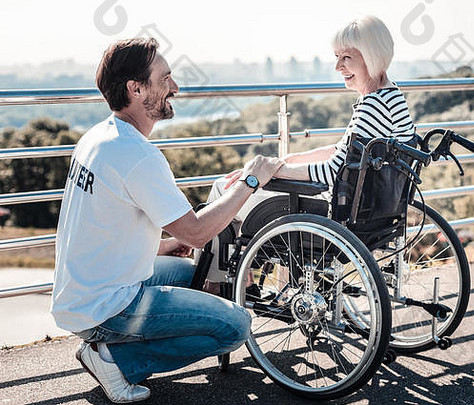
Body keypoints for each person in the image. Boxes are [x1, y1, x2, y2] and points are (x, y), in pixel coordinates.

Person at [50, 38, 283, 403]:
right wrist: (252, 181)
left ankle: (113, 344)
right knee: (235, 326)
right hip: (109, 306)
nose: (174, 87)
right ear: (136, 88)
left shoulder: (98, 138)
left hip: (83, 292)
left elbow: (102, 230)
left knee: (199, 274)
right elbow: (199, 232)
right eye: (166, 79)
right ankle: (115, 359)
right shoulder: (138, 156)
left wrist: (166, 245)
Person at [205, 15, 415, 284]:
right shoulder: (390, 95)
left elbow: (331, 171)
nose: (338, 66)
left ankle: (217, 289)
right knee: (237, 190)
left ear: (370, 56)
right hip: (376, 212)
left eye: (346, 58)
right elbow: (346, 151)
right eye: (337, 57)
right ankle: (236, 281)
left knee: (223, 188)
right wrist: (283, 162)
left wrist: (265, 173)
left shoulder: (372, 106)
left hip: (329, 214)